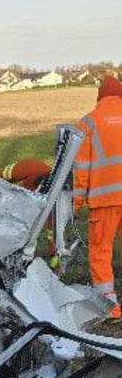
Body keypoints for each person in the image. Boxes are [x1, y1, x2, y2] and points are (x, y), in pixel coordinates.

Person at [73, 75, 122, 318]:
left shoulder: (89, 122)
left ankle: (109, 307)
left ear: (99, 97)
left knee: (101, 252)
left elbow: (80, 169)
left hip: (104, 201)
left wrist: (76, 203)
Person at [0, 158, 58, 269]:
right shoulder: (32, 166)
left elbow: (52, 231)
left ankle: (21, 264)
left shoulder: (54, 200)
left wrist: (54, 256)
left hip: (27, 221)